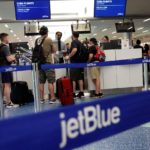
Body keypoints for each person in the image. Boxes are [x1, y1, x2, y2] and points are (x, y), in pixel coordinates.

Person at [36, 26, 56, 104]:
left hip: (40, 64)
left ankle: (41, 99)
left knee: (41, 82)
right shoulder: (49, 39)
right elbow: (54, 50)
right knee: (50, 82)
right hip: (48, 63)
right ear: (47, 32)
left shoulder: (37, 40)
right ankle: (52, 98)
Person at [0, 33, 18, 108]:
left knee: (4, 85)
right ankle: (9, 102)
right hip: (6, 68)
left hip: (2, 68)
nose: (9, 39)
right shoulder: (5, 47)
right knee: (8, 85)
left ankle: (4, 101)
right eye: (8, 37)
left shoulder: (0, 46)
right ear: (4, 38)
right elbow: (9, 59)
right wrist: (14, 58)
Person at [65, 32, 84, 98]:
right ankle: (81, 92)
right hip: (80, 62)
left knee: (73, 79)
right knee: (80, 78)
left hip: (74, 63)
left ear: (73, 36)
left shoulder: (74, 42)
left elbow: (75, 50)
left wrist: (69, 56)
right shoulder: (80, 42)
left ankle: (73, 93)